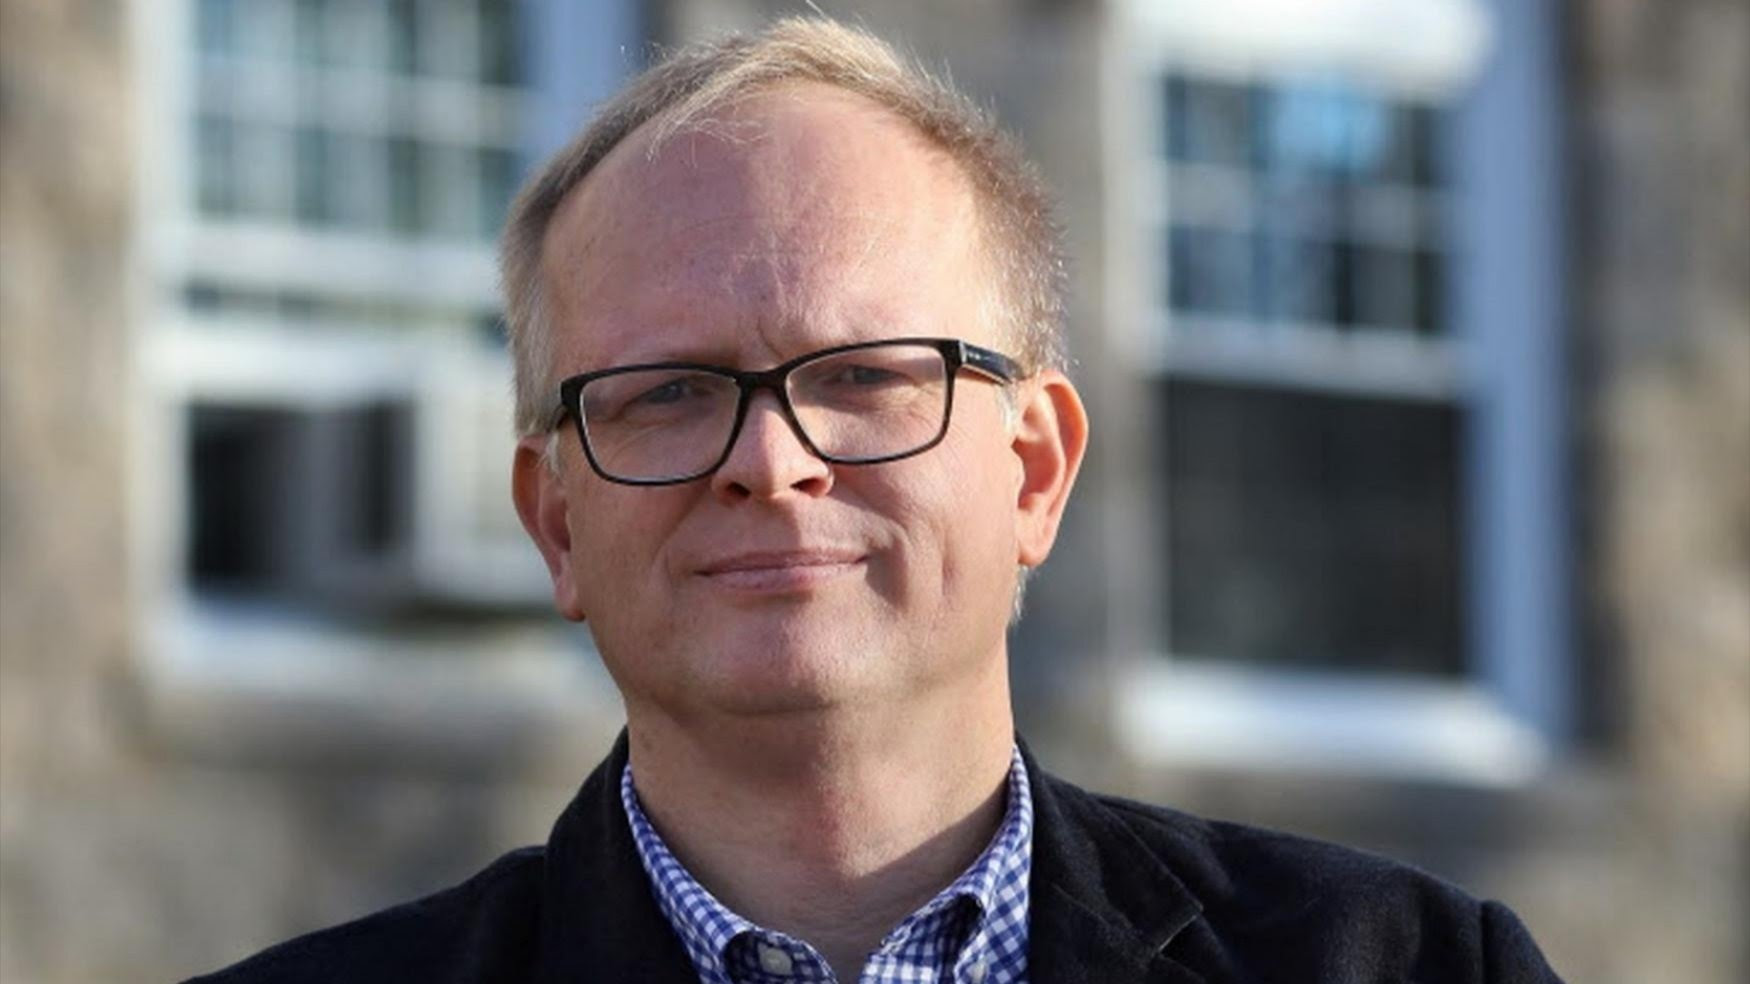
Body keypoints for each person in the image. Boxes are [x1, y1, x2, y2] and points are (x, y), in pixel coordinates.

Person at [190, 17, 1564, 984]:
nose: (769, 461)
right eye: (663, 390)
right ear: (555, 522)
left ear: (1032, 470)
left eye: (861, 376)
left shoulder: (1404, 967)